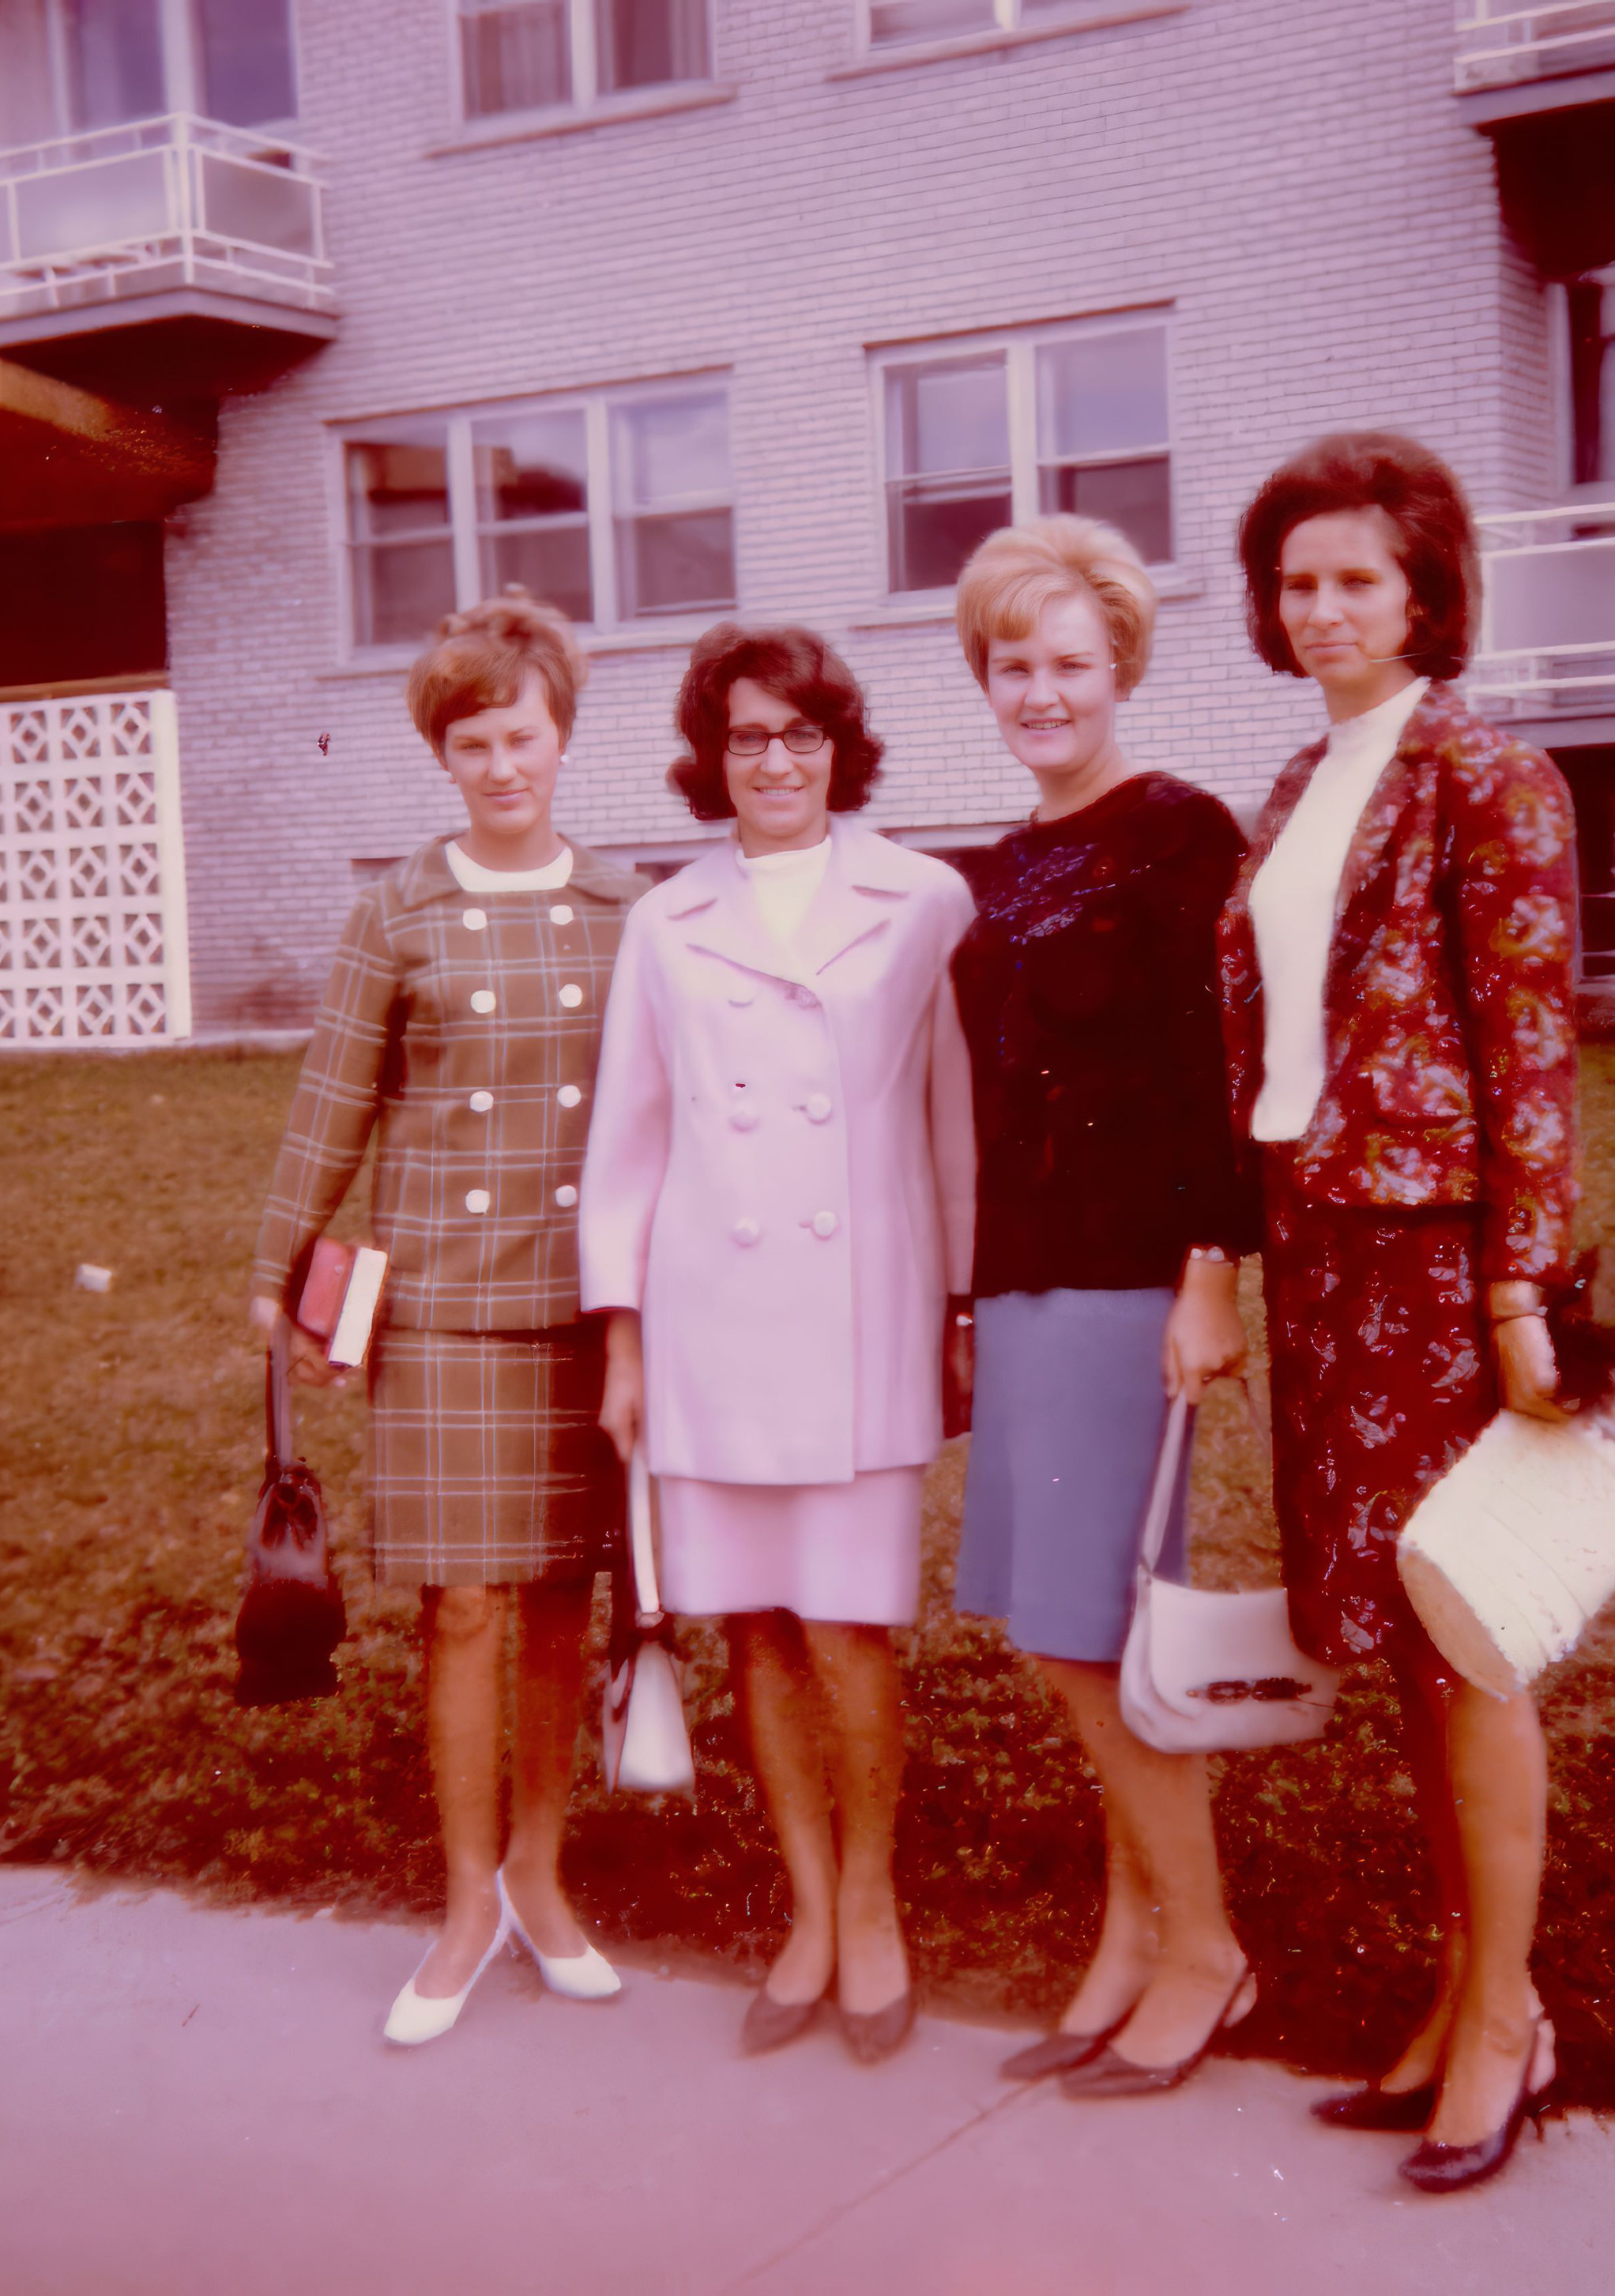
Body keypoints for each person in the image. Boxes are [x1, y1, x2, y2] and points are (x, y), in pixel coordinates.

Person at [1218, 432, 1582, 2192]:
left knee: (1471, 1637)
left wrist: (1524, 1282)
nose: (1326, 607)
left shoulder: (1490, 775)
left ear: (1426, 589)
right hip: (1323, 1249)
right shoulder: (1299, 783)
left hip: (1440, 1256)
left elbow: (1531, 1049)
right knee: (1405, 1652)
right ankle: (1461, 1990)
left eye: (1358, 576)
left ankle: (1509, 2020)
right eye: (1299, 581)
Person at [250, 593, 646, 2046]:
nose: (500, 766)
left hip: (579, 1304)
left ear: (560, 737)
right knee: (463, 1606)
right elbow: (331, 1101)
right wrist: (281, 1269)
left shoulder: (625, 909)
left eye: (522, 736)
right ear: (444, 755)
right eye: (472, 743)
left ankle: (544, 1877)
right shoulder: (395, 908)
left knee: (556, 1603)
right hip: (442, 1311)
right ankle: (466, 1899)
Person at [578, 624, 974, 2065]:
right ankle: (806, 1910)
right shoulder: (666, 920)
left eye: (801, 735)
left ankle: (873, 1906)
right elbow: (629, 1140)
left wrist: (963, 1305)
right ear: (712, 755)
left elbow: (954, 1125)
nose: (775, 762)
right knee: (754, 1620)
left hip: (863, 1310)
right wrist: (622, 1338)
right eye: (747, 736)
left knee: (850, 1625)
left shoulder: (926, 899)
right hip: (710, 1318)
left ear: (838, 748)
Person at [945, 515, 1259, 2098]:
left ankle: (1202, 1945)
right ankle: (1133, 1931)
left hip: (1132, 1283)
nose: (1043, 691)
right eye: (1015, 665)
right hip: (1022, 1279)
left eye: (1071, 662)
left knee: (1098, 1631)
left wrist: (1213, 1269)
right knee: (1059, 1622)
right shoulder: (1000, 864)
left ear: (1122, 664)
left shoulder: (1180, 835)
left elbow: (1221, 1069)